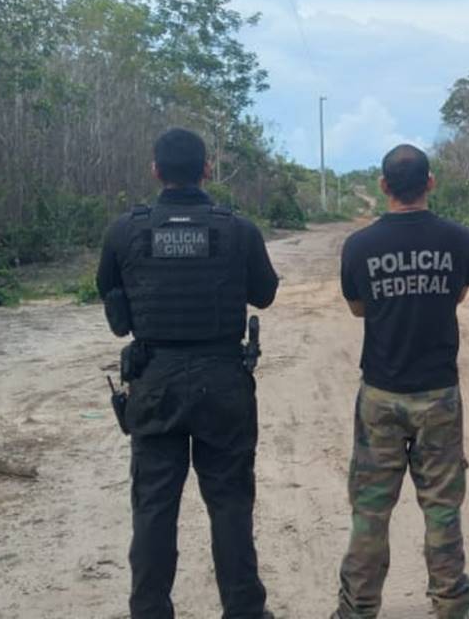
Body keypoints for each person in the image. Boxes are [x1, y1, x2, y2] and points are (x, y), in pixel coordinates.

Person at [96, 127, 279, 619]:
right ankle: (244, 610)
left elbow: (114, 308)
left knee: (154, 507)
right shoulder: (238, 229)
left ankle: (150, 610)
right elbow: (264, 294)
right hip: (222, 381)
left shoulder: (125, 231)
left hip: (155, 381)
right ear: (207, 169)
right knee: (230, 503)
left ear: (156, 171)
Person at [332, 144, 469, 619]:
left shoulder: (359, 246)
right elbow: (456, 295)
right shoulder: (459, 239)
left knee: (371, 511)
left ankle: (357, 610)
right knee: (441, 507)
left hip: (381, 392)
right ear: (430, 183)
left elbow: (358, 308)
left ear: (383, 186)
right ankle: (453, 606)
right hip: (439, 392)